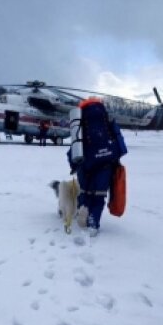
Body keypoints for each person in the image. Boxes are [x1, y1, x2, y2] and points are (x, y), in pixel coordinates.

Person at [67, 99, 127, 236]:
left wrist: (73, 164)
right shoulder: (106, 119)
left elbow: (75, 145)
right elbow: (118, 139)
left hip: (86, 162)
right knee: (99, 194)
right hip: (105, 162)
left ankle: (83, 208)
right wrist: (116, 159)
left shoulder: (80, 120)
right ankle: (93, 223)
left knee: (84, 191)